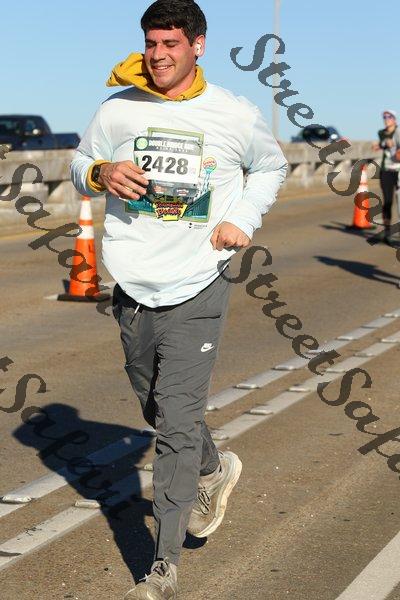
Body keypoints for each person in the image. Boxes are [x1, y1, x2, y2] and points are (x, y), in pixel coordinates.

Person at [71, 1, 287, 598]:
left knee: (176, 422)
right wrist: (101, 173)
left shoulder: (233, 113)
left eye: (170, 43)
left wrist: (241, 219)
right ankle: (212, 469)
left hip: (199, 279)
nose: (158, 54)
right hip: (133, 280)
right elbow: (80, 162)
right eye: (151, 43)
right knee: (153, 404)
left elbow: (270, 167)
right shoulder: (119, 108)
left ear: (198, 46)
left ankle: (162, 568)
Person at [372, 109, 400, 243]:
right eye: (384, 117)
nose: (386, 119)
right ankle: (387, 232)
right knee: (388, 201)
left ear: (394, 119)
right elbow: (383, 142)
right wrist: (382, 144)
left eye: (389, 116)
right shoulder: (381, 132)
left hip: (399, 171)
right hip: (386, 170)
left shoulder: (399, 131)